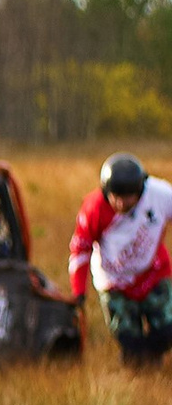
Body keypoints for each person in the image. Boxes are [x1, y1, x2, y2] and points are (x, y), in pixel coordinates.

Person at [69, 153, 172, 367]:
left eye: (127, 197)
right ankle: (137, 369)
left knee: (167, 331)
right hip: (114, 281)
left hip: (152, 273)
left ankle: (153, 360)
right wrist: (79, 291)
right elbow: (80, 250)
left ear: (140, 192)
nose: (120, 202)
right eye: (115, 196)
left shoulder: (160, 195)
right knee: (129, 341)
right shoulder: (94, 208)